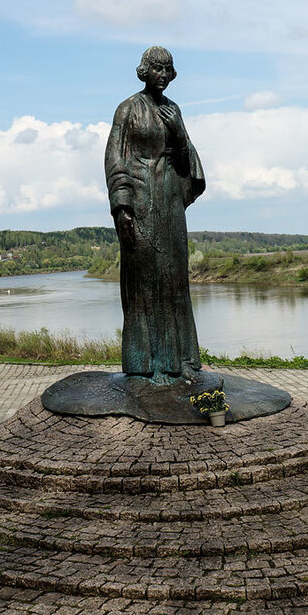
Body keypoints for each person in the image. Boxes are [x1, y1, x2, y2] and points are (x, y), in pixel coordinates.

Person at [105, 47, 205, 385]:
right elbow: (114, 157)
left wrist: (177, 131)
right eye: (157, 69)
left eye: (168, 69)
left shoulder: (173, 111)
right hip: (140, 204)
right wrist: (121, 207)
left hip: (170, 204)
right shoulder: (128, 109)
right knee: (144, 284)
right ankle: (145, 365)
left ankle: (181, 362)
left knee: (175, 281)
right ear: (144, 71)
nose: (163, 75)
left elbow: (187, 161)